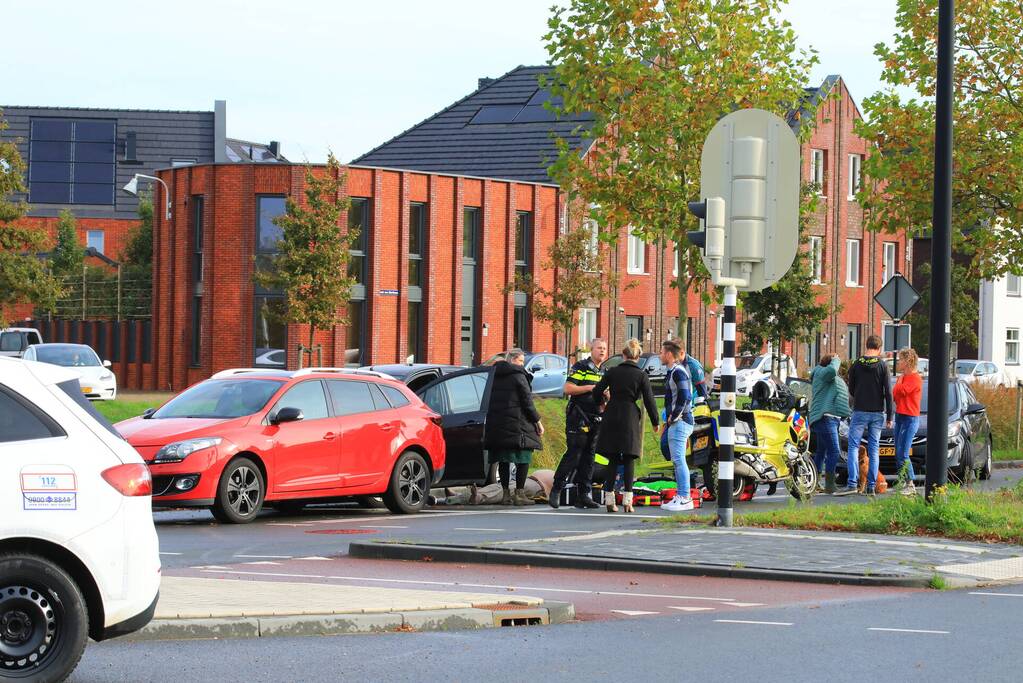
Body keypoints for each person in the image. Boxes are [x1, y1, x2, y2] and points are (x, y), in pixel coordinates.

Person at [592, 338, 660, 513]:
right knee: (629, 458)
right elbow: (650, 400)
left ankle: (609, 500)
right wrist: (655, 421)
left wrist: (603, 401)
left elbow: (597, 391)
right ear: (637, 357)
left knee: (612, 459)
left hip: (612, 414)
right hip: (630, 416)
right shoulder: (641, 375)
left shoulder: (612, 372)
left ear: (623, 355)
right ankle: (628, 502)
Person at [549, 337, 608, 510]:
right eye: (599, 348)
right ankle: (556, 489)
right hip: (578, 416)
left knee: (589, 457)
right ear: (591, 349)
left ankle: (584, 495)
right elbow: (567, 389)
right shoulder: (581, 367)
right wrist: (589, 388)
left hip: (595, 417)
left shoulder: (604, 371)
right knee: (574, 454)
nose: (602, 351)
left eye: (604, 348)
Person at [484, 348, 544, 505]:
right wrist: (537, 421)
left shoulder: (493, 375)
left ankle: (505, 495)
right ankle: (519, 494)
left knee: (503, 460)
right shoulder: (519, 376)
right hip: (517, 425)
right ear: (512, 360)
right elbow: (527, 402)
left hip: (498, 424)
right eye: (521, 361)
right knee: (523, 458)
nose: (523, 365)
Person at [836, 335, 894, 496]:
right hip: (877, 412)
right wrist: (890, 416)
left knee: (854, 446)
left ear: (866, 345)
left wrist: (859, 397)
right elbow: (888, 392)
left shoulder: (856, 364)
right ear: (879, 348)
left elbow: (852, 389)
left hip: (859, 410)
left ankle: (852, 483)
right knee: (874, 448)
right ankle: (871, 485)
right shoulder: (882, 366)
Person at [660, 339, 696, 512]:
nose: (660, 355)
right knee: (677, 460)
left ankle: (684, 497)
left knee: (679, 460)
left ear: (668, 354)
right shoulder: (675, 371)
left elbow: (684, 395)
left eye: (661, 352)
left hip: (680, 421)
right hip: (680, 420)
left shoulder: (677, 372)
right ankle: (682, 495)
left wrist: (674, 416)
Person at [808, 354, 851, 494]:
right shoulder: (823, 372)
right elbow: (833, 371)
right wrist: (837, 359)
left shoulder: (823, 376)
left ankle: (814, 482)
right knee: (834, 451)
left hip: (826, 418)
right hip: (826, 417)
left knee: (821, 451)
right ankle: (830, 485)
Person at [892, 347, 923, 496]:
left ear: (908, 361)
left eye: (900, 360)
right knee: (897, 451)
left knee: (903, 452)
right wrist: (898, 386)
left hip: (910, 418)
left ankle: (910, 483)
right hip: (900, 415)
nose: (898, 362)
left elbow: (902, 391)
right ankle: (903, 481)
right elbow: (895, 394)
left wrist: (898, 386)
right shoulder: (901, 377)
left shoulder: (915, 378)